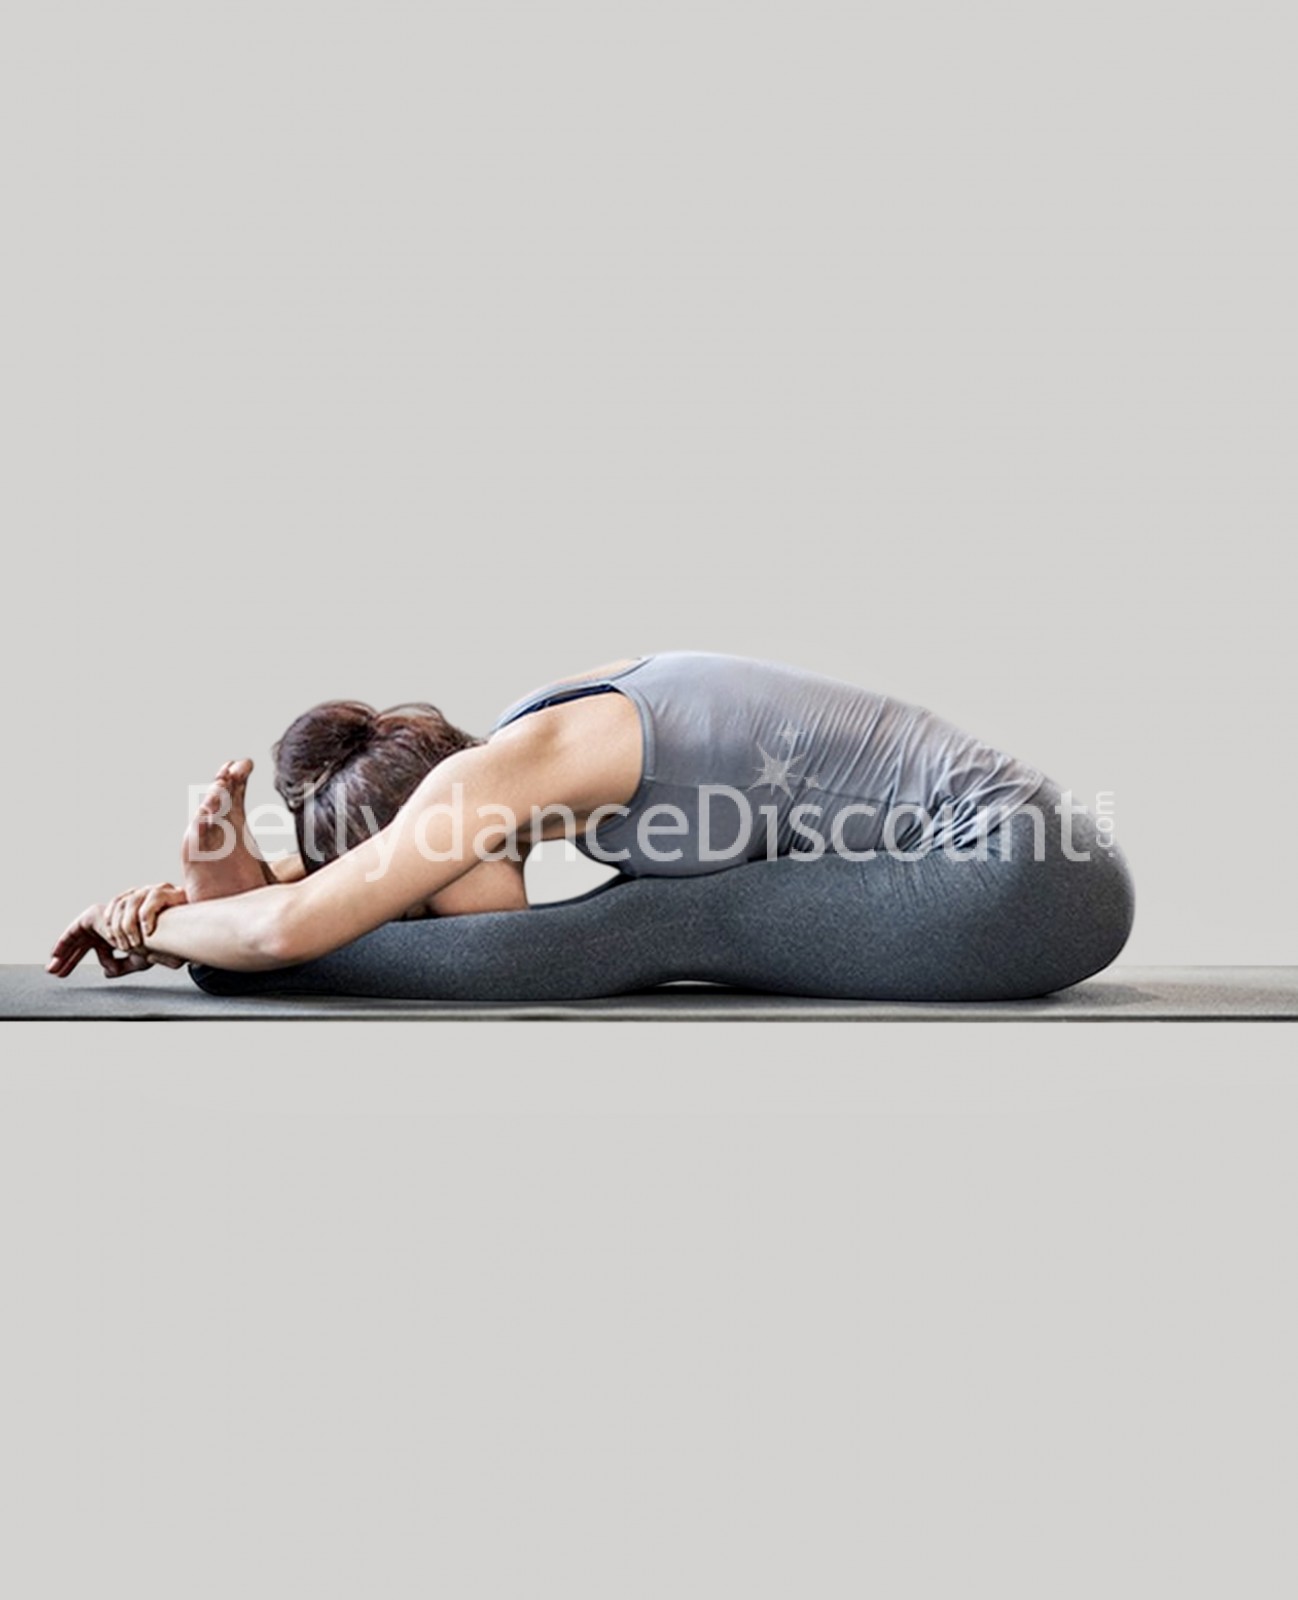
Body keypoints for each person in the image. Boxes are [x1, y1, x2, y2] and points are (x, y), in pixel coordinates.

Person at [46, 652, 1135, 1001]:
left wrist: (187, 942)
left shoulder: (497, 781)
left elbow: (291, 929)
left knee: (647, 923)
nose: (426, 917)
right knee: (657, 908)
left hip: (1022, 876)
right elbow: (315, 892)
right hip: (1015, 878)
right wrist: (192, 894)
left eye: (419, 894)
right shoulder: (508, 774)